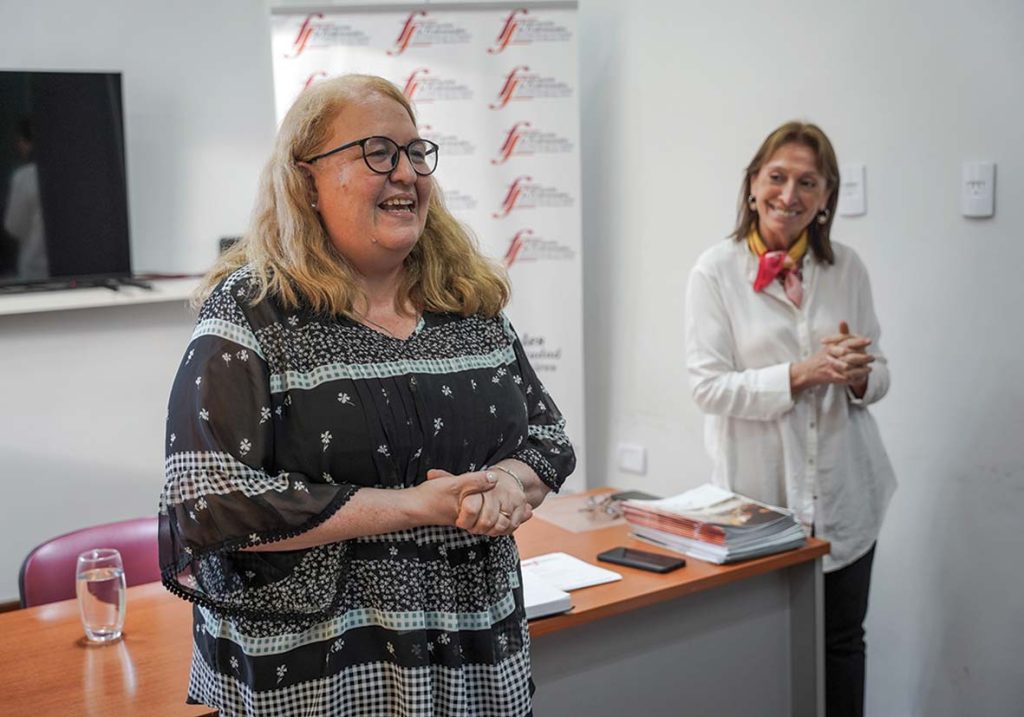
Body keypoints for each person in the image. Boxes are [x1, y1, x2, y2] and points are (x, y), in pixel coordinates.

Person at [159, 74, 575, 717]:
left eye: (415, 153)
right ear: (306, 181)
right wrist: (414, 506)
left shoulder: (469, 303)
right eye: (378, 152)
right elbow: (212, 503)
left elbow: (546, 437)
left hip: (475, 658)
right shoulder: (250, 313)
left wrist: (506, 483)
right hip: (316, 670)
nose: (405, 172)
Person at [684, 121, 895, 717]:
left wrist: (857, 373)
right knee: (761, 653)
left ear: (826, 197)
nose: (790, 194)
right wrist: (802, 373)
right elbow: (707, 386)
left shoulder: (847, 268)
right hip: (758, 505)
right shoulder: (715, 271)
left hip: (847, 496)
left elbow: (879, 376)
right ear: (753, 184)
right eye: (777, 177)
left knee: (842, 644)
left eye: (809, 181)